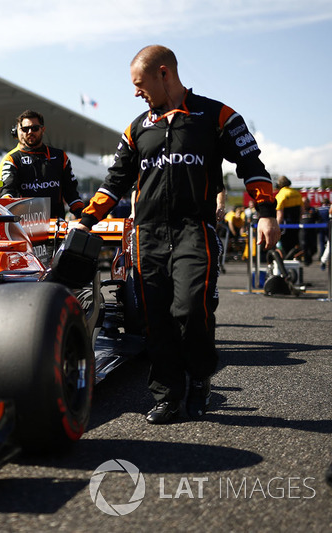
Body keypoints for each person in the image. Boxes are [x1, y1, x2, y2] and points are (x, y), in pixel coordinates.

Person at [73, 45, 279, 424]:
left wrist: (266, 212)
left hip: (193, 229)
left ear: (163, 73)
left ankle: (199, 378)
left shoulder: (218, 115)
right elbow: (114, 181)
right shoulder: (136, 128)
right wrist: (85, 220)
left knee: (190, 309)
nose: (136, 92)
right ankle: (167, 395)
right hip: (147, 235)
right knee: (155, 319)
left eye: (140, 84)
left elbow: (252, 163)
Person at [0, 109, 84, 220]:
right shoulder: (12, 159)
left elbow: (71, 194)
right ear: (20, 131)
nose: (30, 132)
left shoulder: (60, 157)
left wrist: (84, 216)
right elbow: (8, 191)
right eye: (25, 129)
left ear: (42, 129)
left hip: (56, 225)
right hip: (24, 225)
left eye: (35, 128)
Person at [274, 176, 302, 259]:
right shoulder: (297, 193)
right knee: (294, 244)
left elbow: (280, 214)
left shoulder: (280, 195)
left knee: (285, 246)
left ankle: (286, 264)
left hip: (286, 225)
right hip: (296, 223)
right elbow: (302, 210)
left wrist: (277, 226)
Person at [299, 197, 319, 266]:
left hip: (312, 231)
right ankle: (306, 260)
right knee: (304, 246)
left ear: (308, 202)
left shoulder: (313, 210)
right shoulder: (300, 210)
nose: (304, 204)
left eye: (305, 202)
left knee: (313, 248)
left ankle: (309, 257)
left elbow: (319, 219)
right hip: (303, 231)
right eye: (303, 203)